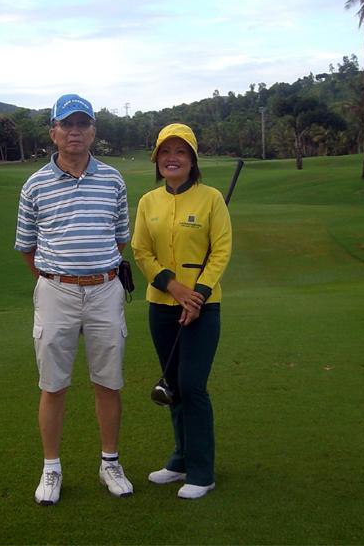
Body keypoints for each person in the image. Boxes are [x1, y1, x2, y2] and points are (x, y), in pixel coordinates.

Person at [15, 93, 133, 505]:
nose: (75, 131)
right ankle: (51, 468)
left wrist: (92, 275)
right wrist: (57, 279)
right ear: (54, 132)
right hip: (55, 291)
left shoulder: (113, 180)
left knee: (108, 383)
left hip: (105, 290)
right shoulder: (34, 185)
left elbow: (120, 239)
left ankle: (109, 463)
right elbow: (27, 247)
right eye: (67, 124)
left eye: (83, 124)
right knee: (53, 386)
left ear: (93, 132)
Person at [131, 123, 232, 500]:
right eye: (165, 151)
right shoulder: (148, 202)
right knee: (173, 384)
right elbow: (141, 252)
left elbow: (221, 250)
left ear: (192, 160)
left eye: (181, 152)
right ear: (157, 159)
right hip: (161, 306)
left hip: (203, 308)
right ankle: (181, 459)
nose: (172, 158)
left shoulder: (211, 199)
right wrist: (173, 287)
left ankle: (202, 471)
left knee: (191, 385)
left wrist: (198, 295)